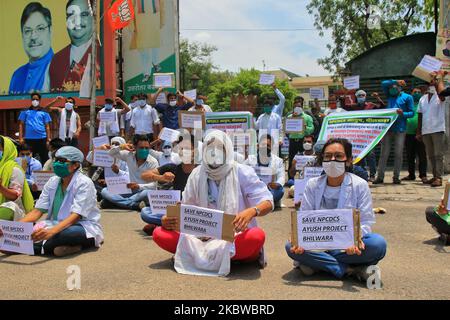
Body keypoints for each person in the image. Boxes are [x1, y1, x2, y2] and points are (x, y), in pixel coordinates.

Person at [152, 130, 274, 272]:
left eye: (219, 148)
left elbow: (268, 201)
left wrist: (252, 211)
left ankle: (203, 257)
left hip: (234, 235)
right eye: (210, 148)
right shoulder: (197, 174)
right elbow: (185, 208)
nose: (214, 152)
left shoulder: (241, 171)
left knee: (255, 236)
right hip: (201, 237)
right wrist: (168, 219)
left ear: (227, 149)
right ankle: (225, 257)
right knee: (159, 233)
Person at [285, 138, 387, 281]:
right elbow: (304, 218)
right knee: (290, 245)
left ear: (349, 160)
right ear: (322, 160)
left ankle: (319, 264)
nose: (332, 160)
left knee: (378, 244)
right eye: (327, 156)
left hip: (348, 247)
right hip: (318, 243)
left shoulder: (360, 185)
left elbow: (366, 222)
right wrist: (299, 238)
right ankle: (350, 269)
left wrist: (354, 240)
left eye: (338, 156)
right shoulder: (312, 184)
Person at [14, 146, 104, 257]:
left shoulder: (84, 183)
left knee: (67, 234)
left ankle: (28, 247)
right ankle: (61, 247)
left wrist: (51, 232)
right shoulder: (52, 181)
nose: (56, 163)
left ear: (75, 165)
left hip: (80, 226)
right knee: (30, 230)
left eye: (62, 161)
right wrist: (14, 229)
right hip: (55, 224)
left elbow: (75, 216)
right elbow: (37, 212)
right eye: (56, 160)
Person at [140, 135, 198, 236]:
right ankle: (167, 224)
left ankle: (161, 226)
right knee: (145, 212)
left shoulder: (201, 171)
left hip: (192, 212)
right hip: (173, 210)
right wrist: (161, 178)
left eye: (188, 149)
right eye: (181, 148)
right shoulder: (173, 168)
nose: (184, 152)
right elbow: (144, 175)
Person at [49, 0, 100, 92]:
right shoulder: (56, 60)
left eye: (84, 15)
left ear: (93, 19)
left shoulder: (103, 55)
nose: (77, 21)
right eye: (72, 16)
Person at [99, 135, 158, 211]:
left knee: (147, 192)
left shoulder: (153, 162)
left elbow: (154, 185)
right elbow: (110, 153)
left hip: (142, 191)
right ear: (135, 147)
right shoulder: (129, 155)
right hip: (129, 190)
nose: (144, 150)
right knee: (105, 191)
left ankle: (115, 203)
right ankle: (132, 205)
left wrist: (138, 186)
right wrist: (121, 147)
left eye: (146, 148)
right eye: (141, 148)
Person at [373, 80, 414, 185]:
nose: (392, 88)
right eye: (391, 87)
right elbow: (383, 83)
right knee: (384, 154)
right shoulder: (389, 95)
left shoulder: (408, 97)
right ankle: (380, 177)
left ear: (400, 88)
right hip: (388, 129)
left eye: (395, 87)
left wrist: (403, 113)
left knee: (398, 154)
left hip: (400, 129)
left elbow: (412, 113)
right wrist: (395, 81)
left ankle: (396, 177)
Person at [9, 2, 54, 95]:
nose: (33, 37)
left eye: (40, 29)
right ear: (22, 35)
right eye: (28, 31)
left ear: (50, 31)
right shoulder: (17, 76)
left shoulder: (59, 68)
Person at [417, 84, 447, 187]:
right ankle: (435, 176)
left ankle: (439, 178)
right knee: (431, 156)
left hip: (437, 129)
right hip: (426, 130)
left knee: (438, 154)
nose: (428, 88)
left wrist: (438, 82)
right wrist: (419, 131)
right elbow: (420, 116)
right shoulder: (422, 99)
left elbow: (442, 94)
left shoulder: (439, 96)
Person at [0, 136, 34, 221]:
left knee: (8, 207)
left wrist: (0, 187)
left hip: (13, 212)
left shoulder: (15, 169)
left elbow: (15, 196)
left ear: (7, 150)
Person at [245, 134, 284, 207]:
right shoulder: (250, 159)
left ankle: (259, 202)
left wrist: (277, 184)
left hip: (270, 189)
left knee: (280, 191)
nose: (265, 147)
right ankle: (266, 203)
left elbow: (281, 177)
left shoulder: (278, 161)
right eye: (263, 145)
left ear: (271, 147)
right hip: (254, 188)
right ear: (258, 146)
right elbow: (242, 172)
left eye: (268, 145)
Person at [402, 87, 427, 183]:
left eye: (419, 92)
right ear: (411, 94)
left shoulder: (423, 103)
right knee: (410, 156)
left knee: (422, 155)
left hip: (420, 133)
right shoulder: (408, 104)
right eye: (415, 92)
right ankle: (411, 174)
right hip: (408, 133)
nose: (417, 93)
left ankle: (423, 175)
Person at [18, 92, 52, 164]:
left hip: (42, 138)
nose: (35, 101)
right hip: (29, 139)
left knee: (44, 158)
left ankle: (44, 174)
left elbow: (47, 126)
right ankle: (27, 173)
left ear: (39, 100)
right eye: (33, 99)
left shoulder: (44, 112)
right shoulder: (25, 111)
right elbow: (21, 124)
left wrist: (48, 139)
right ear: (31, 100)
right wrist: (20, 138)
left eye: (36, 99)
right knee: (27, 158)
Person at [286, 100, 315, 183]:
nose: (297, 108)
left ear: (302, 107)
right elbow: (286, 130)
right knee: (291, 160)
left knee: (304, 160)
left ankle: (305, 177)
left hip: (303, 141)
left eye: (298, 106)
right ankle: (290, 179)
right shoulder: (289, 117)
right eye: (295, 107)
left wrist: (305, 128)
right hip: (292, 141)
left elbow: (311, 129)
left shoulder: (307, 117)